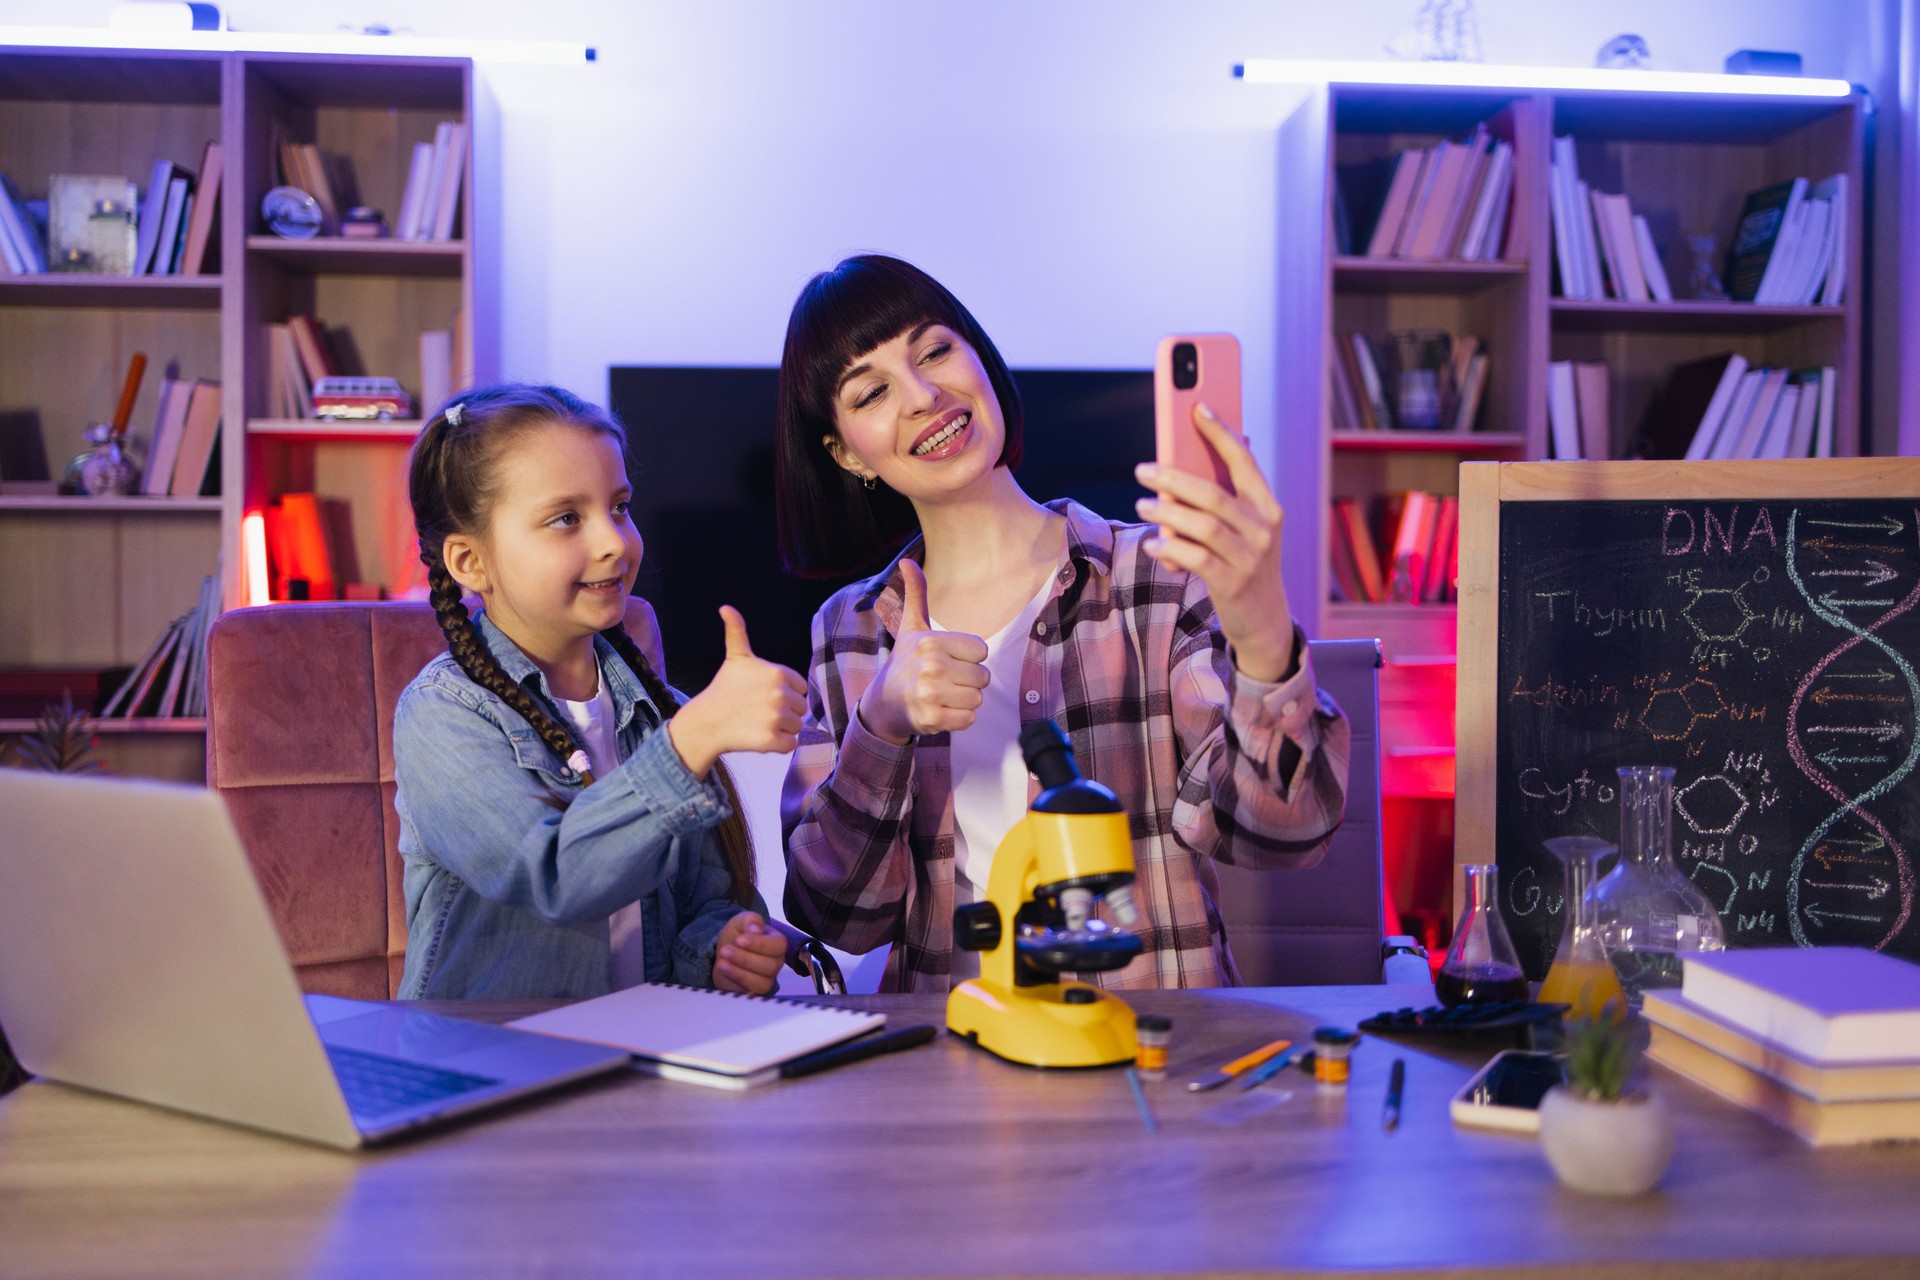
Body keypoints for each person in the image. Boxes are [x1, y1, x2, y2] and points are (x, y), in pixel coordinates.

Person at [775, 255, 1351, 992]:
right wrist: (881, 725)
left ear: (980, 358)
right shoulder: (849, 631)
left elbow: (1280, 833)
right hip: (950, 1061)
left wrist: (1266, 638)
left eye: (936, 350)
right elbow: (838, 917)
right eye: (873, 390)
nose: (923, 395)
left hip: (1149, 1054)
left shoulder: (1154, 574)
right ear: (847, 451)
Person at [394, 382, 807, 999]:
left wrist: (722, 949)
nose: (615, 541)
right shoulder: (441, 716)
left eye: (619, 506)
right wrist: (690, 741)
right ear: (470, 562)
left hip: (639, 1056)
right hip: (503, 1070)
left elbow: (702, 905)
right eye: (567, 518)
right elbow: (555, 875)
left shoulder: (654, 709)